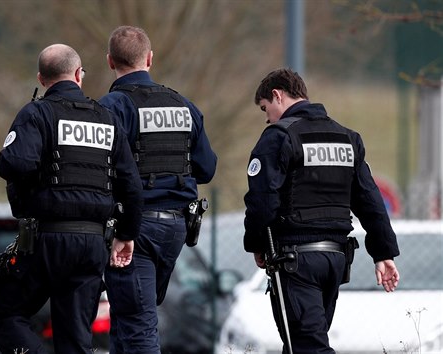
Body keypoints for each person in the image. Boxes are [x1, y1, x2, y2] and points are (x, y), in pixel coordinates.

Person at [0, 43, 143, 354]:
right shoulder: (107, 119)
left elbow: (16, 163)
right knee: (75, 338)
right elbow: (131, 185)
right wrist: (127, 234)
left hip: (47, 239)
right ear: (77, 75)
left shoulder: (36, 113)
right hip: (92, 244)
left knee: (7, 314)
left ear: (41, 79)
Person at [244, 68, 401, 353]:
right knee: (300, 343)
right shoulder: (346, 138)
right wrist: (383, 252)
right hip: (336, 259)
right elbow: (370, 201)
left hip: (296, 260)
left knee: (307, 346)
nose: (267, 117)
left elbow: (262, 200)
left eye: (266, 108)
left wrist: (256, 243)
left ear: (277, 95)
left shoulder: (279, 136)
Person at [99, 26, 217, 354]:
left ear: (110, 61)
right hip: (176, 228)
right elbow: (206, 168)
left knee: (137, 325)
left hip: (133, 228)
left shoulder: (111, 107)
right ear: (150, 58)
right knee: (127, 317)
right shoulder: (184, 106)